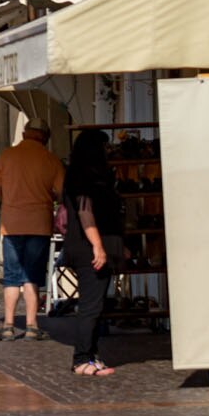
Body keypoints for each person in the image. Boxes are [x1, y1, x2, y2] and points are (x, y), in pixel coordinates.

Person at [0, 122, 65, 341]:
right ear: (46, 137)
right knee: (32, 275)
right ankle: (32, 325)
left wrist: (10, 201)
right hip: (39, 223)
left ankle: (8, 325)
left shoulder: (7, 156)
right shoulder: (51, 160)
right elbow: (61, 192)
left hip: (12, 223)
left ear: (24, 134)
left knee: (11, 276)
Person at [61, 129, 121, 376]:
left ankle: (90, 356)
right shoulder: (85, 176)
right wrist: (98, 245)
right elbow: (85, 212)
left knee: (94, 306)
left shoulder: (82, 174)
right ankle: (82, 359)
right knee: (91, 306)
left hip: (87, 246)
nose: (109, 151)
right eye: (104, 147)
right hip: (88, 249)